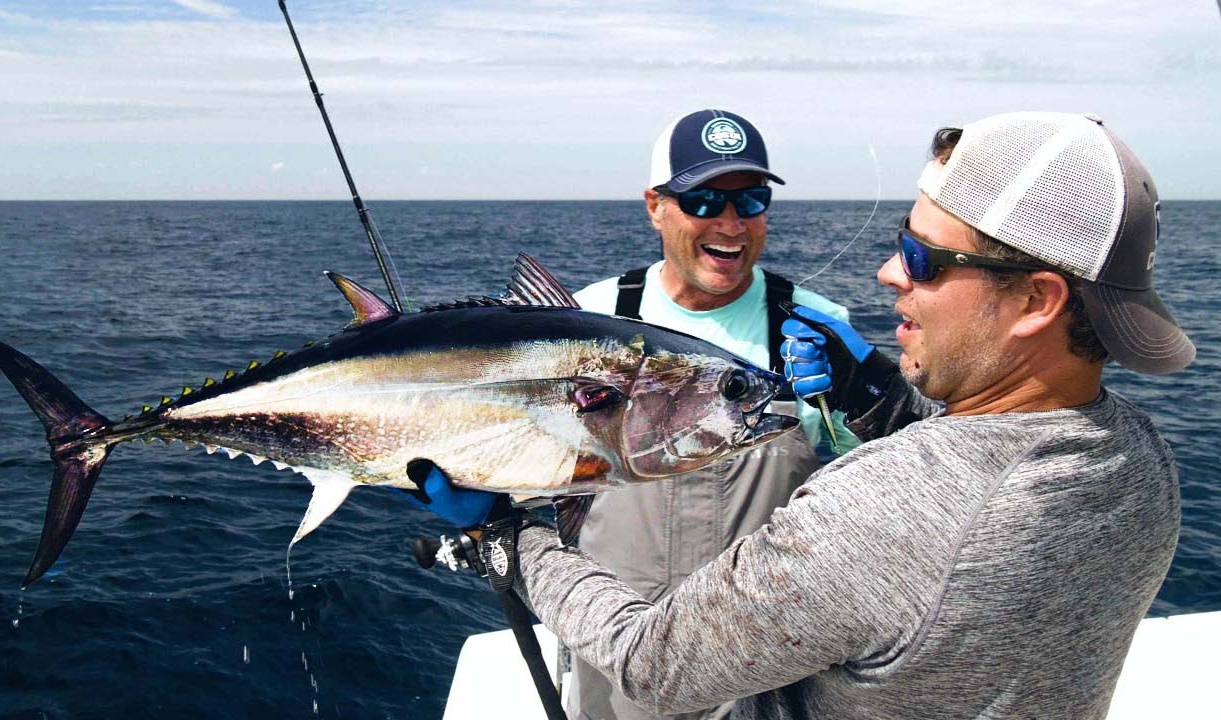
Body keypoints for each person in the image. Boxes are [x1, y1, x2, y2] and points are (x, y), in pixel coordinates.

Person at [415, 111, 1195, 719]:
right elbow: (972, 462)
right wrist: (886, 397)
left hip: (671, 655)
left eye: (922, 257)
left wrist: (504, 536)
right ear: (657, 208)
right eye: (704, 199)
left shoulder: (883, 507)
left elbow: (658, 661)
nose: (890, 273)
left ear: (1035, 301)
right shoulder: (1141, 463)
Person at [567, 109, 857, 720]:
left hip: (769, 661)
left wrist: (864, 402)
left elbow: (871, 481)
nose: (732, 223)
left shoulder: (819, 328)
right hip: (617, 653)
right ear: (655, 205)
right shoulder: (590, 316)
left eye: (751, 200)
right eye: (703, 200)